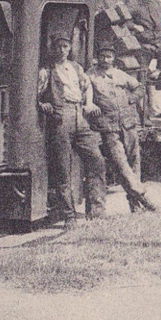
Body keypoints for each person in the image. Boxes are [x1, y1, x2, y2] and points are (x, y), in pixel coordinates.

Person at [37, 34, 107, 225]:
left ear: (69, 49)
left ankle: (96, 212)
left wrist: (90, 103)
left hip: (80, 115)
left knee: (97, 160)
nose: (62, 50)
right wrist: (43, 104)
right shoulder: (46, 71)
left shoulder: (76, 68)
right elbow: (37, 94)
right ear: (53, 49)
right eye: (58, 46)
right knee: (63, 169)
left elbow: (87, 86)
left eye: (65, 46)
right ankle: (69, 216)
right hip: (61, 118)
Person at [87, 43, 157, 213]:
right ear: (97, 58)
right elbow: (85, 94)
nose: (105, 60)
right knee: (121, 164)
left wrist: (131, 99)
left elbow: (140, 88)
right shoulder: (91, 76)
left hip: (128, 123)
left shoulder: (121, 75)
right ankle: (142, 195)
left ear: (113, 58)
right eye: (102, 56)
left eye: (109, 56)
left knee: (134, 161)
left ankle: (135, 205)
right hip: (108, 126)